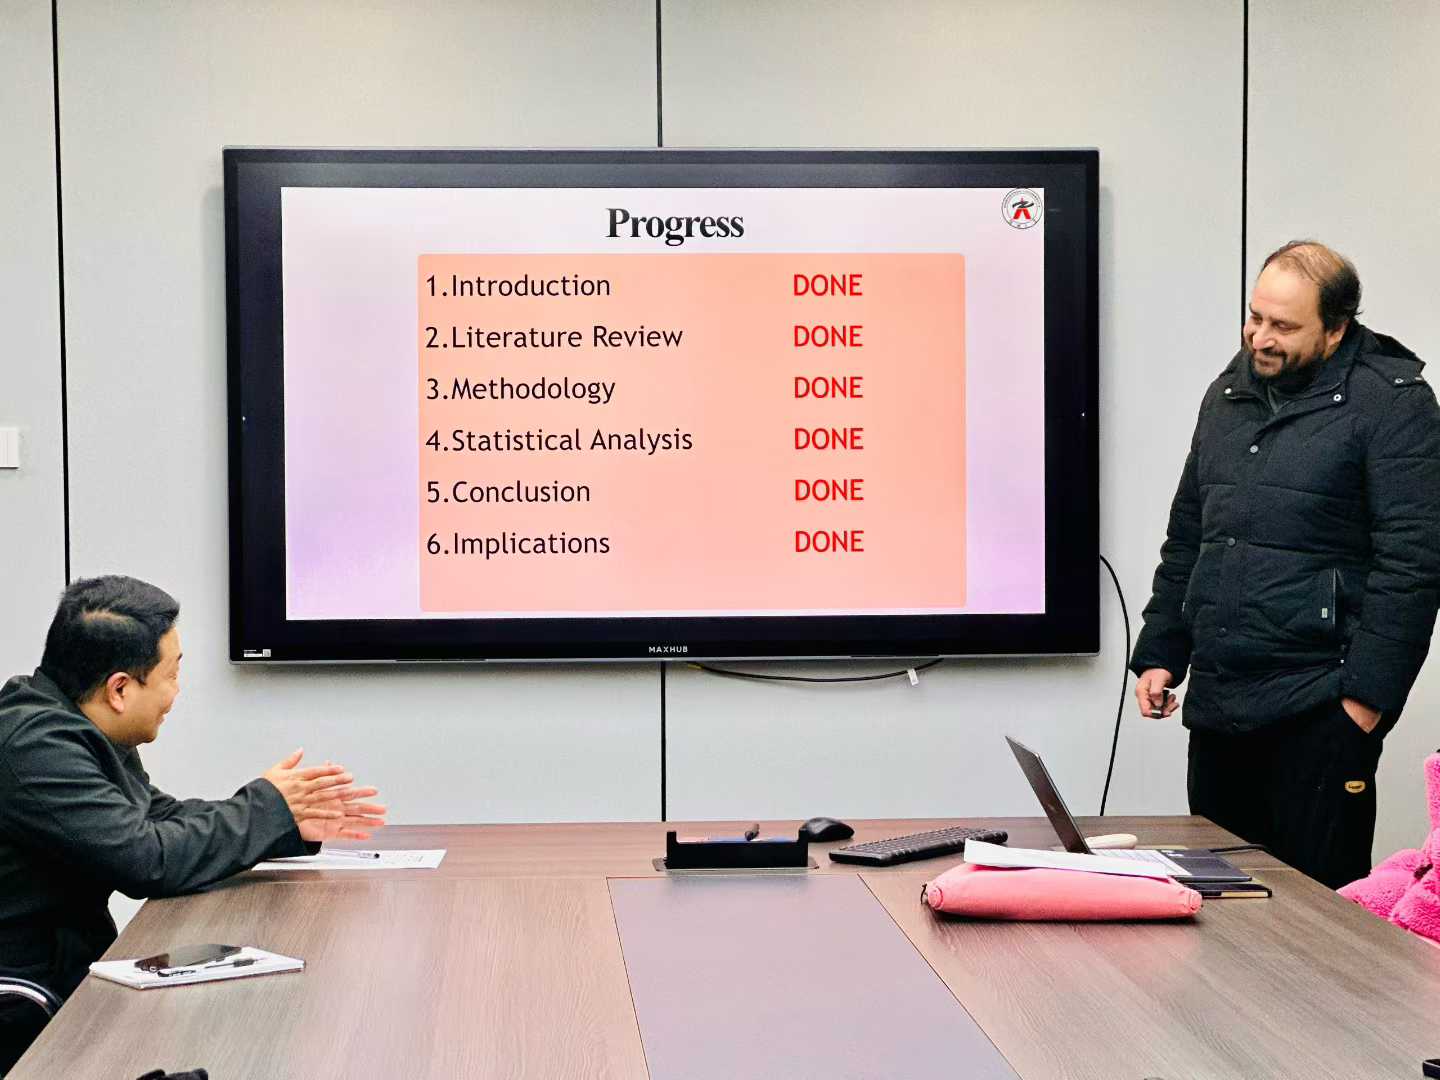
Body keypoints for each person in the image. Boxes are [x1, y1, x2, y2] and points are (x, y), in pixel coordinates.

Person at [1130, 240, 1440, 890]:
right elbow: (1190, 535)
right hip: (1220, 706)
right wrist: (1161, 649)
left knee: (1314, 926)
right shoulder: (1228, 392)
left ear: (1336, 329)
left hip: (1318, 711)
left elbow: (1414, 564)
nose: (1260, 337)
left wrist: (1364, 704)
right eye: (1255, 316)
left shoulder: (1394, 403)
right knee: (1219, 913)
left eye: (1284, 326)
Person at [0, 576, 386, 1073]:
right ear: (120, 689)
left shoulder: (72, 723)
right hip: (27, 1012)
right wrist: (265, 810)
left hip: (64, 988)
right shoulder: (35, 747)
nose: (176, 692)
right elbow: (146, 859)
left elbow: (158, 816)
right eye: (171, 675)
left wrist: (285, 821)